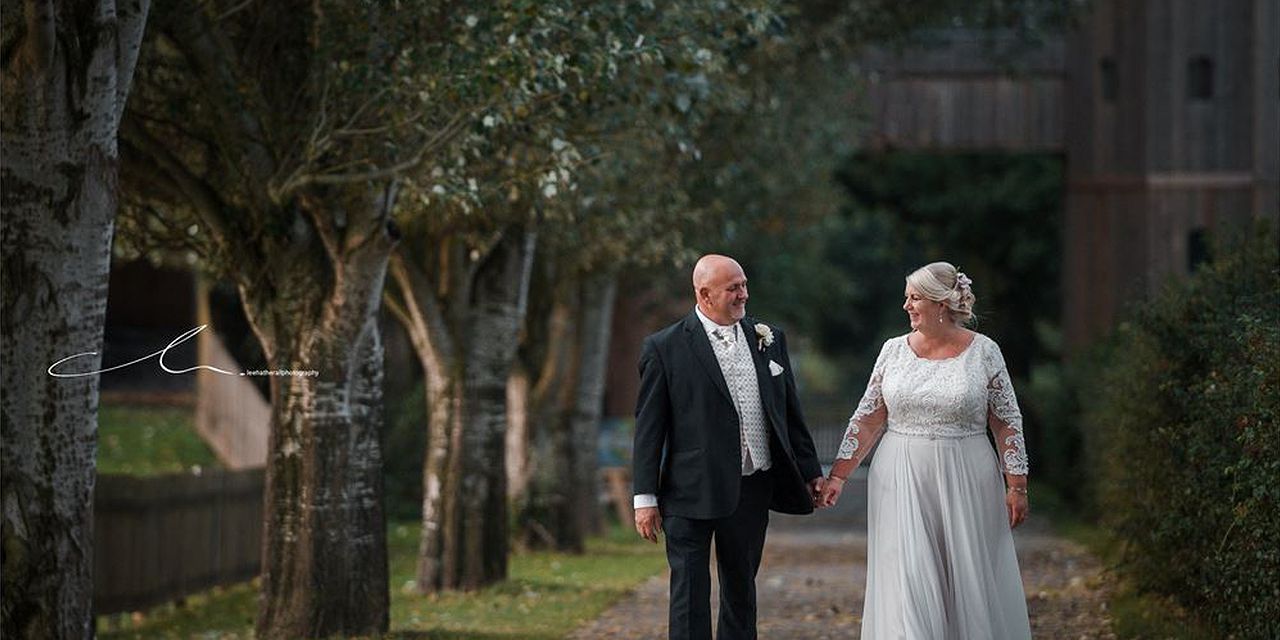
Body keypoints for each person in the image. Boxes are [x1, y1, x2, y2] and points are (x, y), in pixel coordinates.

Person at [819, 261, 1032, 639]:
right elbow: (868, 418)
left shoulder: (984, 352)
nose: (907, 306)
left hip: (968, 473)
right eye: (906, 298)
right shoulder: (892, 351)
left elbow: (1006, 421)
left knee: (965, 572)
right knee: (909, 575)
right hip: (900, 476)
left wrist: (1016, 485)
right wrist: (839, 474)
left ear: (940, 304)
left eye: (915, 298)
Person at [633, 254, 825, 640]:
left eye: (744, 285)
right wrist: (644, 498)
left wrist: (810, 472)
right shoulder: (664, 347)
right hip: (689, 490)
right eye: (733, 288)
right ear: (704, 294)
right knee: (689, 593)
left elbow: (790, 413)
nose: (744, 295)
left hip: (752, 486)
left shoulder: (769, 339)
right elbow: (649, 430)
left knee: (741, 590)